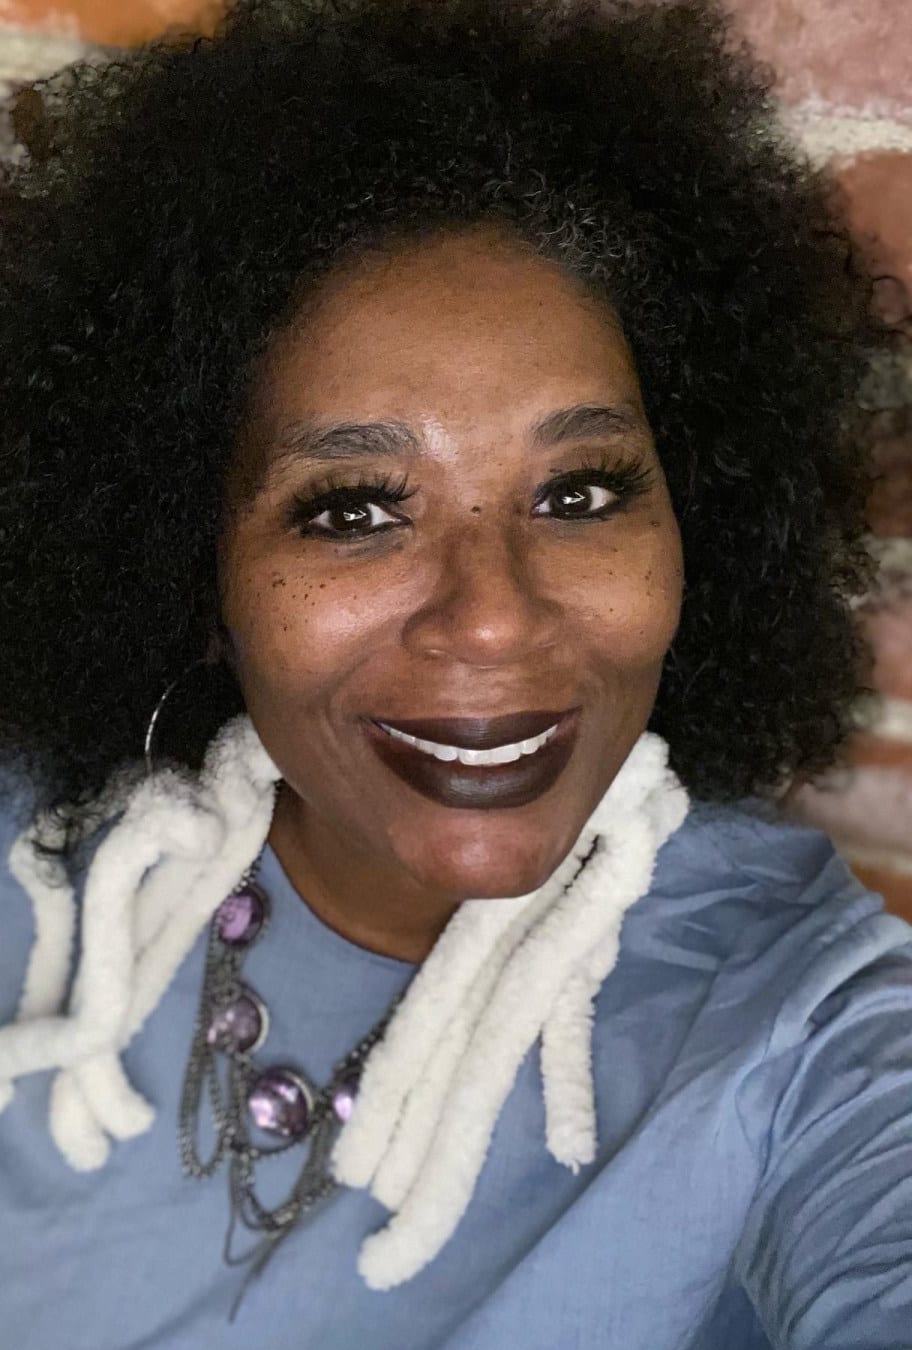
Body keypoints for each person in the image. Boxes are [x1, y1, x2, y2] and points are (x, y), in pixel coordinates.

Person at [0, 0, 909, 1345]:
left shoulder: (795, 1014)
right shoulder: (36, 853)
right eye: (354, 508)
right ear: (195, 568)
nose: (492, 619)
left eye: (581, 492)